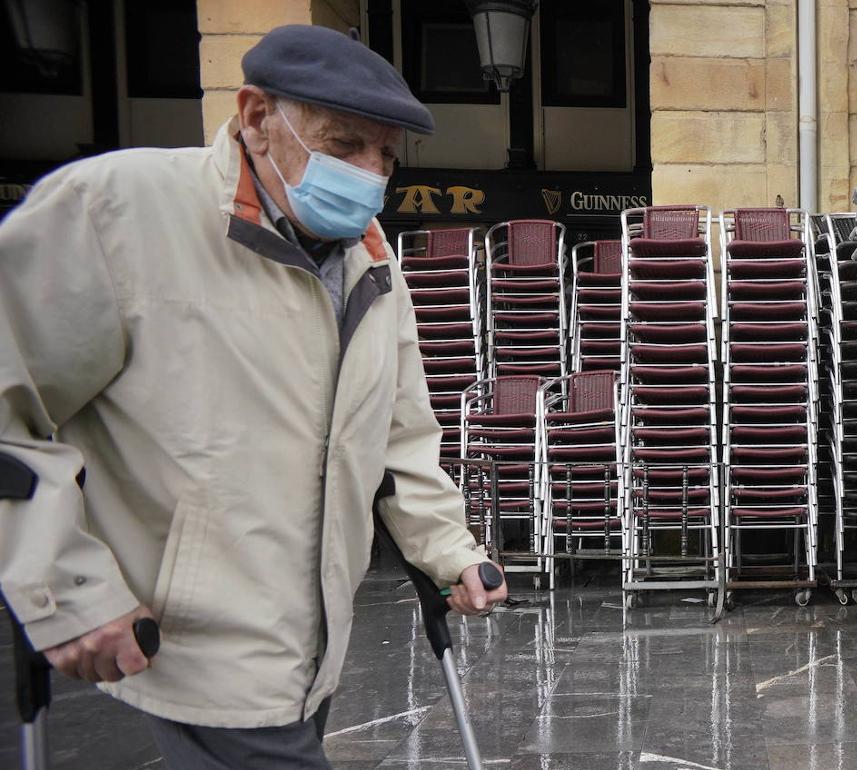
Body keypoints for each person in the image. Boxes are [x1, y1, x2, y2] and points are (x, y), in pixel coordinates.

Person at [0, 24, 506, 767]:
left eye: (385, 157)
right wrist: (66, 588)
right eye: (344, 145)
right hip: (199, 641)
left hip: (314, 643)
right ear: (258, 117)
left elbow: (397, 432)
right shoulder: (117, 209)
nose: (369, 175)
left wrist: (447, 551)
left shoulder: (369, 257)